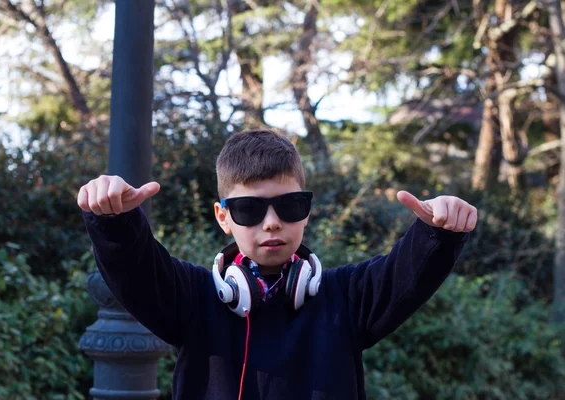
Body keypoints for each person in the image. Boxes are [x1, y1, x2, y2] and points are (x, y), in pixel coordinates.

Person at [77, 128, 476, 400]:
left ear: (307, 211)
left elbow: (407, 273)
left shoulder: (347, 298)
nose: (272, 222)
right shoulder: (192, 299)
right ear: (223, 217)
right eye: (249, 208)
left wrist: (439, 233)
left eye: (288, 205)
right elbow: (137, 270)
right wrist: (113, 220)